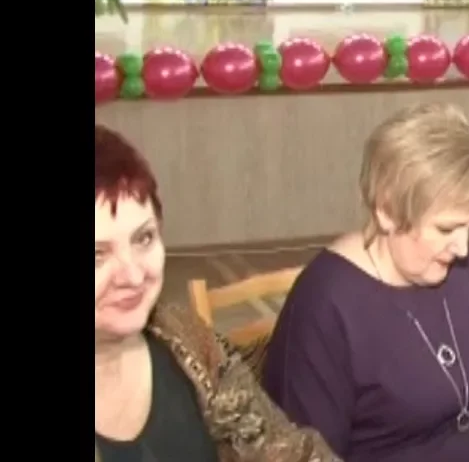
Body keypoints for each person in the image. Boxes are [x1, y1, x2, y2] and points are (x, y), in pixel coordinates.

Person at [262, 104, 469, 462]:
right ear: (387, 211)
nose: (462, 247)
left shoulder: (466, 271)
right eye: (446, 229)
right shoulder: (326, 306)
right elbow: (309, 455)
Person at [94, 125, 337, 462]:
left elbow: (284, 448)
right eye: (97, 254)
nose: (134, 276)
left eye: (144, 238)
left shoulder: (182, 335)